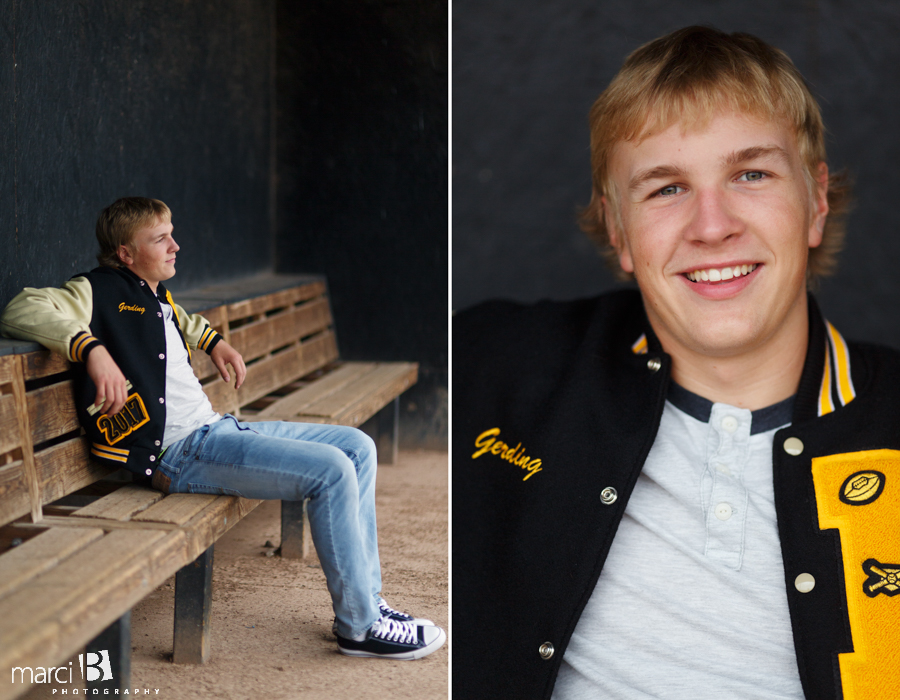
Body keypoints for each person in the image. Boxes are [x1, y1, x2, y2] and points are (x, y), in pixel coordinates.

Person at [453, 26, 899, 699]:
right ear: (617, 230)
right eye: (665, 189)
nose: (712, 225)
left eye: (751, 173)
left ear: (816, 200)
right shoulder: (496, 366)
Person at [0, 196, 445, 661]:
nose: (176, 245)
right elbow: (21, 308)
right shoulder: (95, 290)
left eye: (172, 233)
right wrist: (91, 349)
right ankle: (360, 628)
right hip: (179, 454)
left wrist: (212, 341)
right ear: (125, 253)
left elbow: (177, 318)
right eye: (160, 239)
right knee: (331, 470)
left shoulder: (153, 292)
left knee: (356, 446)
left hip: (216, 431)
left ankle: (369, 602)